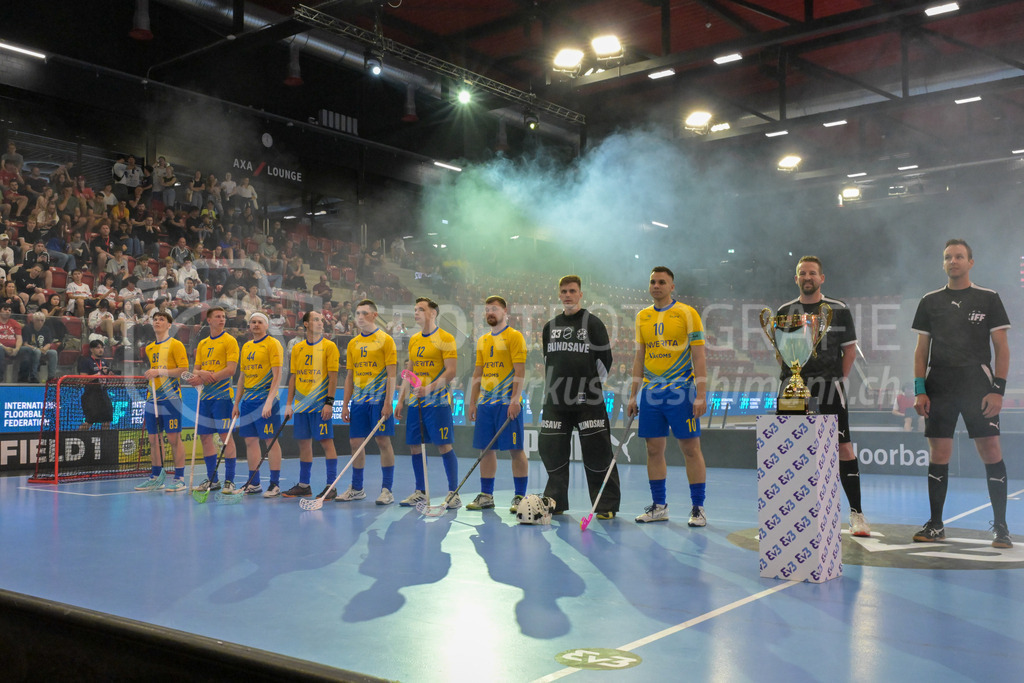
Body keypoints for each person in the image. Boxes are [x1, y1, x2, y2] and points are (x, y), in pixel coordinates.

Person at [911, 239, 1012, 548]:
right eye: (948, 257)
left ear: (970, 262)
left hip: (977, 384)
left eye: (959, 256)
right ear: (943, 263)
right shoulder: (929, 301)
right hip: (939, 384)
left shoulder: (988, 298)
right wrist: (919, 390)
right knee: (939, 454)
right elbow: (921, 350)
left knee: (991, 450)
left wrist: (998, 390)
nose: (953, 261)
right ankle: (936, 525)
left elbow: (1002, 348)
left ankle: (1001, 527)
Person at [772, 256, 870, 537]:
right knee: (790, 449)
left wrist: (837, 379)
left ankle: (857, 514)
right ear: (796, 278)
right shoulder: (785, 311)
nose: (808, 277)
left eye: (812, 273)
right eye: (802, 273)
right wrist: (792, 376)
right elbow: (780, 352)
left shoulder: (838, 309)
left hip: (829, 387)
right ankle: (793, 514)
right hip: (793, 388)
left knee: (843, 448)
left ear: (821, 278)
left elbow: (849, 351)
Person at [627, 267, 710, 526]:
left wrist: (701, 394)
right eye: (653, 281)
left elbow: (699, 356)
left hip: (681, 391)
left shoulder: (687, 313)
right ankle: (659, 506)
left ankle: (698, 508)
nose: (656, 286)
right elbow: (639, 357)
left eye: (662, 282)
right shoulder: (642, 317)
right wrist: (633, 395)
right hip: (651, 393)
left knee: (690, 449)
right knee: (653, 449)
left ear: (672, 286)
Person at [538, 275, 618, 517]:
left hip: (588, 402)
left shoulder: (593, 324)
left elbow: (605, 361)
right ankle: (555, 501)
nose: (568, 295)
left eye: (572, 291)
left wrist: (588, 387)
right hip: (556, 402)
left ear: (581, 294)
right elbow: (548, 361)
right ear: (559, 294)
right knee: (553, 454)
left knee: (598, 454)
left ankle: (605, 506)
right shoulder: (549, 327)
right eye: (564, 291)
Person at [465, 295, 529, 513]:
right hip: (486, 404)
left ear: (505, 312)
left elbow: (520, 371)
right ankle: (486, 496)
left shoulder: (514, 336)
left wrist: (515, 400)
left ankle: (520, 497)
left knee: (515, 449)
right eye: (487, 310)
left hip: (507, 403)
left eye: (494, 309)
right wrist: (472, 402)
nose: (490, 313)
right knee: (485, 450)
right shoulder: (483, 340)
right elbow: (478, 373)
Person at [394, 297, 460, 508]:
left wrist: (428, 389)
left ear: (433, 313)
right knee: (415, 446)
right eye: (415, 309)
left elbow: (451, 371)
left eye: (421, 309)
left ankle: (453, 493)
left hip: (438, 403)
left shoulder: (445, 338)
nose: (416, 312)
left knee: (443, 445)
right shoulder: (414, 340)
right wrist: (400, 400)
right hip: (416, 404)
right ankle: (420, 492)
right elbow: (409, 372)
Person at [339, 299, 398, 504]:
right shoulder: (353, 343)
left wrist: (388, 402)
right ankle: (357, 488)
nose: (360, 317)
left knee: (383, 441)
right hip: (359, 401)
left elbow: (392, 375)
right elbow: (349, 377)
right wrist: (345, 404)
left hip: (379, 400)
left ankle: (387, 490)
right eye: (358, 313)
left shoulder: (385, 340)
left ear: (374, 315)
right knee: (355, 443)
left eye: (365, 313)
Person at [282, 311, 341, 499]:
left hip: (320, 405)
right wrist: (289, 404)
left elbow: (333, 378)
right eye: (316, 319)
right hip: (301, 406)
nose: (321, 323)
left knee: (326, 442)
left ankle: (331, 486)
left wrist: (329, 403)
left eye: (322, 320)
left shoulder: (329, 346)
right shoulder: (297, 348)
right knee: (303, 444)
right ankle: (304, 485)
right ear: (306, 324)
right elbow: (293, 377)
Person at [135, 312, 189, 492]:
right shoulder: (150, 348)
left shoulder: (176, 344)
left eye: (161, 320)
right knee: (153, 439)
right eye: (155, 319)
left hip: (171, 398)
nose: (157, 322)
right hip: (153, 398)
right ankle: (156, 477)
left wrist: (159, 371)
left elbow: (183, 370)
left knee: (173, 438)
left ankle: (179, 478)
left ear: (169, 325)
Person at [188, 307, 240, 494]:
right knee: (205, 437)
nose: (222, 319)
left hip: (222, 397)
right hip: (205, 398)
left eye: (223, 317)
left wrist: (208, 377)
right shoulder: (203, 344)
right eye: (218, 316)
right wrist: (201, 374)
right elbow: (195, 370)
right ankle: (213, 479)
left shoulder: (230, 341)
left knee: (225, 437)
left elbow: (231, 370)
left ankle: (230, 481)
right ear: (209, 320)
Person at [232, 312, 284, 496]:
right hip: (248, 402)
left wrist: (269, 401)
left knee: (270, 441)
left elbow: (277, 375)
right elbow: (242, 377)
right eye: (253, 322)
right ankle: (254, 483)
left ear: (266, 325)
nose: (256, 324)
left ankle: (274, 484)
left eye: (260, 322)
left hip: (266, 401)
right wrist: (236, 403)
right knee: (250, 441)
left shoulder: (273, 344)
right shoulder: (246, 346)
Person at [78, 339, 114, 427]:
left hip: (103, 393)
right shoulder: (86, 361)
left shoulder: (105, 362)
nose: (101, 350)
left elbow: (107, 379)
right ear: (91, 349)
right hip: (91, 394)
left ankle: (104, 436)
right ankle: (78, 435)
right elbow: (83, 379)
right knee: (89, 422)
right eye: (98, 348)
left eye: (102, 347)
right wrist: (99, 374)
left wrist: (109, 375)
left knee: (107, 421)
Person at [20, 312, 58, 383]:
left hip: (42, 349)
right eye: (38, 320)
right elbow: (25, 344)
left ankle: (51, 377)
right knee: (37, 352)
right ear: (33, 320)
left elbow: (49, 343)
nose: (40, 322)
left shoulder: (46, 329)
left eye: (42, 320)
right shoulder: (27, 328)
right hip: (30, 350)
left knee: (53, 352)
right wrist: (37, 349)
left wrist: (44, 349)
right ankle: (33, 376)